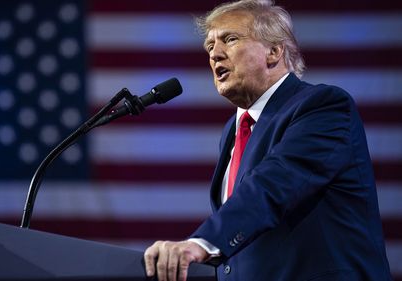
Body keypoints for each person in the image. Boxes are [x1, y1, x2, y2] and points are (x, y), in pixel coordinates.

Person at [143, 0, 392, 280]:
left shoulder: (323, 106)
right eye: (210, 47)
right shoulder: (233, 130)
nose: (215, 55)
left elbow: (274, 183)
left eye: (230, 39)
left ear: (274, 51)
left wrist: (202, 243)